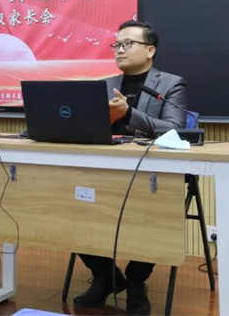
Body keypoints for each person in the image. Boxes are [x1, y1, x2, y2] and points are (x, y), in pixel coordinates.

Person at [75, 20, 187, 315]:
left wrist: (129, 113)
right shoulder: (105, 85)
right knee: (72, 203)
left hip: (152, 174)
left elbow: (175, 130)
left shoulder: (171, 84)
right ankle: (106, 275)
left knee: (156, 208)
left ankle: (136, 280)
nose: (120, 50)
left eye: (128, 44)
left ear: (150, 50)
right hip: (104, 171)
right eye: (117, 45)